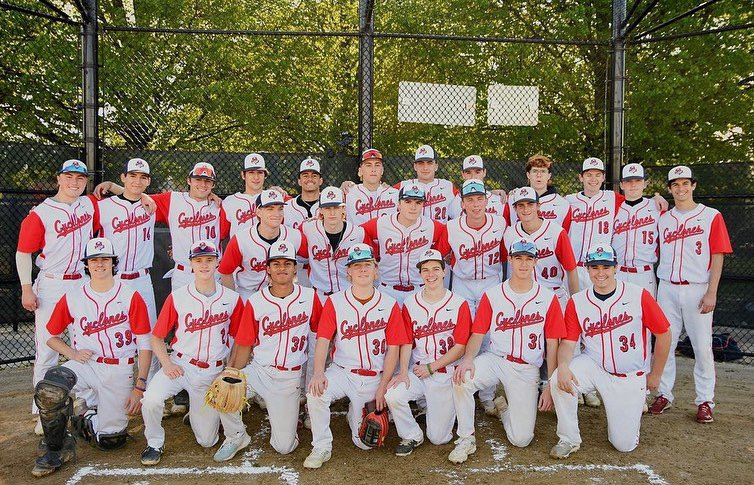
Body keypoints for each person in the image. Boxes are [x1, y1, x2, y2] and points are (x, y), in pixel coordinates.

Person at [32, 237, 152, 477]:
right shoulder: (74, 296)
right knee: (50, 388)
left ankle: (84, 416)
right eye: (94, 260)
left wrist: (139, 387)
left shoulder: (130, 295)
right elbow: (51, 337)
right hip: (86, 364)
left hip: (119, 369)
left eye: (105, 259)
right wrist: (72, 353)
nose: (99, 264)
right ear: (86, 264)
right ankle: (57, 448)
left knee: (112, 440)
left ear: (113, 262)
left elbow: (145, 346)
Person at [549, 244, 671, 458]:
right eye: (594, 267)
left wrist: (656, 374)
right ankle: (568, 438)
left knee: (623, 445)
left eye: (605, 267)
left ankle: (631, 414)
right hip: (594, 367)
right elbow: (568, 343)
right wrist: (564, 366)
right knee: (558, 378)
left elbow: (664, 334)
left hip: (629, 376)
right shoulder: (578, 301)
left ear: (616, 268)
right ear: (587, 269)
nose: (600, 273)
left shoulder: (638, 295)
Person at [449, 238, 565, 463]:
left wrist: (550, 384)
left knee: (521, 439)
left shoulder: (548, 298)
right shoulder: (493, 294)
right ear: (510, 260)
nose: (523, 263)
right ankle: (466, 438)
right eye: (518, 258)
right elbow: (478, 334)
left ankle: (503, 410)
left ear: (536, 262)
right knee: (462, 378)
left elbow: (553, 344)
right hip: (496, 359)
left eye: (528, 258)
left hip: (526, 368)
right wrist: (468, 359)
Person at [213, 240, 323, 461]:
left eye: (287, 263)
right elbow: (245, 343)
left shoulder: (310, 297)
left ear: (295, 268)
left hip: (289, 377)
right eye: (276, 264)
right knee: (222, 392)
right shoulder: (256, 301)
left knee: (284, 447)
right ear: (268, 269)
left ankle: (289, 424)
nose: (282, 268)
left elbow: (323, 335)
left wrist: (318, 371)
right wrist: (232, 371)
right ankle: (236, 436)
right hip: (259, 371)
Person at [139, 240, 245, 466]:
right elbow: (156, 337)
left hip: (212, 372)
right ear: (191, 264)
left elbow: (239, 340)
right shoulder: (178, 297)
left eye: (209, 260)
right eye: (198, 260)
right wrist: (167, 364)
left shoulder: (232, 299)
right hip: (180, 365)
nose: (204, 265)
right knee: (151, 399)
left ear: (217, 262)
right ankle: (154, 442)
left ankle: (199, 414)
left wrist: (230, 369)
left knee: (207, 441)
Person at [304, 244, 409, 469]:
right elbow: (323, 340)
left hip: (374, 377)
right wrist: (319, 372)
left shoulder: (389, 304)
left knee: (364, 443)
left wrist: (383, 386)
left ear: (376, 270)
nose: (362, 270)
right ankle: (321, 445)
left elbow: (394, 348)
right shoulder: (335, 302)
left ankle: (355, 411)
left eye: (367, 265)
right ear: (349, 272)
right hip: (342, 372)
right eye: (357, 265)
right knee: (315, 393)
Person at [16, 159, 100, 433]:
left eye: (80, 178)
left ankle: (87, 400)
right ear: (59, 179)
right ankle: (43, 411)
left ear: (86, 181)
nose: (74, 182)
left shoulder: (89, 204)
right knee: (48, 348)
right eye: (69, 177)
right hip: (52, 283)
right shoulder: (41, 213)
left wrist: (112, 185)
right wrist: (26, 287)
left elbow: (121, 196)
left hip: (82, 282)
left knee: (86, 342)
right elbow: (23, 252)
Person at [649, 165, 733, 423]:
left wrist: (712, 292)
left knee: (702, 347)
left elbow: (718, 255)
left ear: (694, 185)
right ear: (670, 188)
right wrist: (655, 197)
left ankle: (705, 400)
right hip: (667, 287)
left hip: (698, 287)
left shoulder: (711, 215)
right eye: (676, 184)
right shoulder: (663, 218)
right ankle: (664, 394)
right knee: (665, 343)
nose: (681, 188)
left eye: (685, 183)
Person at [384, 249, 472, 456]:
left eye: (435, 269)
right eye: (425, 270)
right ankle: (412, 434)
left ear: (444, 271)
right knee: (393, 394)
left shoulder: (459, 303)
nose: (430, 274)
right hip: (418, 372)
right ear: (420, 274)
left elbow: (461, 346)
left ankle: (448, 409)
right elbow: (407, 341)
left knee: (439, 438)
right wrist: (403, 372)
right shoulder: (410, 302)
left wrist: (432, 367)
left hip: (444, 374)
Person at [94, 162, 228, 291]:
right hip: (183, 274)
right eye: (198, 179)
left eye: (208, 181)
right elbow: (133, 194)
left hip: (212, 273)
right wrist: (112, 186)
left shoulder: (221, 206)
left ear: (213, 185)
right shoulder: (172, 200)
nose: (203, 184)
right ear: (189, 180)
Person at [436, 178, 506, 415]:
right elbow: (440, 256)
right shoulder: (451, 227)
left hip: (491, 283)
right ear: (462, 203)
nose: (475, 204)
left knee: (489, 338)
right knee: (461, 336)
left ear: (486, 200)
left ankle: (487, 395)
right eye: (470, 200)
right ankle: (458, 388)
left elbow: (506, 255)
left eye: (479, 199)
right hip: (463, 284)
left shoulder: (500, 223)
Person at [94, 158, 158, 341]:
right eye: (132, 175)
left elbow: (195, 197)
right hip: (113, 279)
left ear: (148, 181)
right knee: (112, 335)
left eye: (143, 177)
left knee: (149, 336)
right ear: (123, 177)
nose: (137, 181)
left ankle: (150, 363)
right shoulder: (102, 206)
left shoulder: (153, 205)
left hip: (142, 279)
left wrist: (213, 196)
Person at [361, 183, 447, 305]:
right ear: (399, 204)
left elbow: (442, 246)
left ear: (423, 205)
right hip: (387, 289)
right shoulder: (380, 224)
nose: (413, 207)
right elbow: (360, 233)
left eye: (418, 202)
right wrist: (375, 256)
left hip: (419, 289)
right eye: (408, 201)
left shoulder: (433, 227)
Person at [502, 186, 579, 311]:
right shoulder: (509, 234)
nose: (526, 209)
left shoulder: (556, 232)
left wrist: (575, 304)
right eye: (521, 205)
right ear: (515, 208)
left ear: (538, 206)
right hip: (523, 297)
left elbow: (571, 269)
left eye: (530, 204)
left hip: (554, 294)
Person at [218, 189, 302, 300]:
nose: (276, 214)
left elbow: (309, 260)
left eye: (280, 209)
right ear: (258, 212)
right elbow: (225, 272)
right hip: (248, 294)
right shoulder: (241, 239)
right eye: (270, 209)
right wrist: (233, 301)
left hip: (282, 294)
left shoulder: (295, 236)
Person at [299, 186, 366, 296]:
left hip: (348, 294)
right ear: (320, 210)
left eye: (336, 207)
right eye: (327, 208)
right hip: (320, 295)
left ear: (343, 209)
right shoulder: (307, 229)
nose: (332, 212)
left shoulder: (358, 233)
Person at [612, 163, 660, 297]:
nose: (633, 185)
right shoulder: (613, 207)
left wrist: (657, 196)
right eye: (628, 181)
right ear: (621, 185)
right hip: (618, 272)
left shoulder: (657, 207)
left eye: (638, 180)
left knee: (646, 310)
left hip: (644, 274)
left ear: (645, 183)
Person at [504, 154, 571, 229]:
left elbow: (565, 232)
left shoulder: (562, 204)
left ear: (549, 175)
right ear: (528, 175)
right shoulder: (513, 199)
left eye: (543, 171)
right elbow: (505, 228)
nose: (539, 175)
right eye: (535, 171)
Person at [396, 145, 458, 223]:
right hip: (412, 230)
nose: (425, 168)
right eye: (421, 163)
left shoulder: (448, 187)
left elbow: (458, 215)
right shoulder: (401, 187)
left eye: (429, 163)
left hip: (440, 230)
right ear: (415, 166)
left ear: (436, 166)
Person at [220, 153, 274, 235]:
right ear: (243, 175)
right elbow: (222, 235)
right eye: (251, 172)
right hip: (240, 243)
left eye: (260, 172)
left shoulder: (274, 198)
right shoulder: (229, 202)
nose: (256, 177)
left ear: (265, 175)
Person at [344, 148, 400, 226]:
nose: (373, 169)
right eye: (368, 165)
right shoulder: (347, 193)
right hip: (358, 234)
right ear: (360, 171)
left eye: (377, 165)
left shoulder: (395, 194)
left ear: (382, 170)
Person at [284, 157, 323, 229]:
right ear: (299, 181)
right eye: (305, 176)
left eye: (314, 176)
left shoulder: (329, 207)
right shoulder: (286, 208)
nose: (310, 179)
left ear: (320, 181)